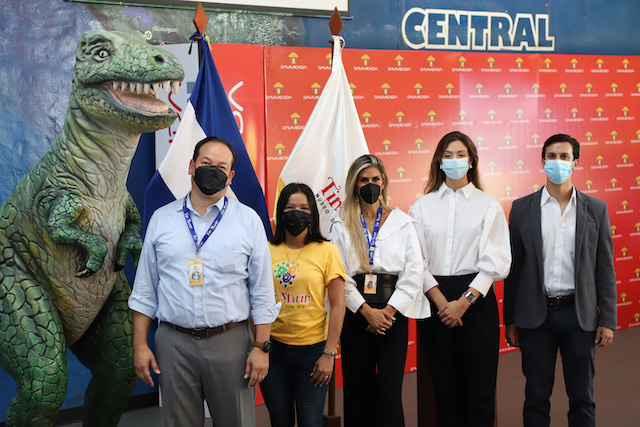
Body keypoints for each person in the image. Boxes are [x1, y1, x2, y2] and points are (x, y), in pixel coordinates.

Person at [128, 136, 280, 427]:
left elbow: (262, 292)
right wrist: (140, 345)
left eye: (221, 166)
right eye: (206, 163)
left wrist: (261, 348)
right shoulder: (161, 219)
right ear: (191, 166)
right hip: (173, 343)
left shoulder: (248, 221)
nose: (213, 171)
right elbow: (145, 290)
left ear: (231, 176)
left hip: (231, 343)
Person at [503, 133, 616, 427]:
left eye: (564, 157)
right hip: (534, 317)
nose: (557, 162)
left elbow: (604, 267)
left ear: (575, 163)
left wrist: (608, 319)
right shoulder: (521, 208)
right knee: (536, 396)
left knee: (582, 397)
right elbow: (514, 268)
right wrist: (510, 319)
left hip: (578, 317)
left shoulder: (596, 209)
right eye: (551, 156)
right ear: (542, 161)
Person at [408, 131, 511, 427]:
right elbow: (416, 260)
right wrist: (441, 302)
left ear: (471, 161)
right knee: (444, 388)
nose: (455, 161)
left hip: (476, 300)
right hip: (434, 299)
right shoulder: (422, 206)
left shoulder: (488, 205)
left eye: (461, 155)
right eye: (448, 155)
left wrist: (462, 303)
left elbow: (495, 263)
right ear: (439, 162)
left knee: (479, 387)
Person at [331, 154, 430, 427]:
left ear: (384, 182)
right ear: (354, 184)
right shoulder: (341, 224)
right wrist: (366, 312)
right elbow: (340, 275)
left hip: (392, 315)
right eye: (363, 180)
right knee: (357, 391)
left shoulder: (403, 222)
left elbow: (413, 273)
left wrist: (386, 311)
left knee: (389, 393)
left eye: (375, 179)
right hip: (355, 314)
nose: (370, 184)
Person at [260, 183, 346, 427]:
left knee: (310, 421)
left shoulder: (327, 251)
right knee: (280, 420)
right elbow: (257, 300)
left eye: (303, 208)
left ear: (313, 214)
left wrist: (329, 353)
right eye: (290, 207)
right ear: (280, 212)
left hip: (313, 352)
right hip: (272, 350)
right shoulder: (266, 251)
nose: (297, 213)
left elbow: (338, 306)